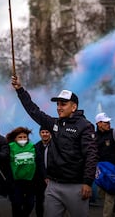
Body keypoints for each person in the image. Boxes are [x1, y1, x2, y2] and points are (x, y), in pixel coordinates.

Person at [11, 75, 98, 217]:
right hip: (53, 186)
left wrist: (88, 182)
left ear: (74, 107)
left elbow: (91, 155)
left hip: (76, 187)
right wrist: (20, 90)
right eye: (57, 104)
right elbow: (34, 111)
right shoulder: (55, 124)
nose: (58, 107)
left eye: (63, 104)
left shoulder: (85, 126)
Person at [6, 126, 37, 217]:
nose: (23, 139)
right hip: (15, 181)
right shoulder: (10, 147)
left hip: (30, 181)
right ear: (15, 138)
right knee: (17, 204)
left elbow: (38, 161)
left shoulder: (32, 146)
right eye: (20, 137)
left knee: (30, 204)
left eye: (25, 137)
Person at [33, 126, 51, 217]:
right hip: (39, 179)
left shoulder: (55, 146)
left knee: (53, 201)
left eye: (47, 132)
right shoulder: (35, 146)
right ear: (40, 134)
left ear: (50, 133)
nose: (45, 134)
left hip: (53, 178)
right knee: (39, 200)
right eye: (43, 132)